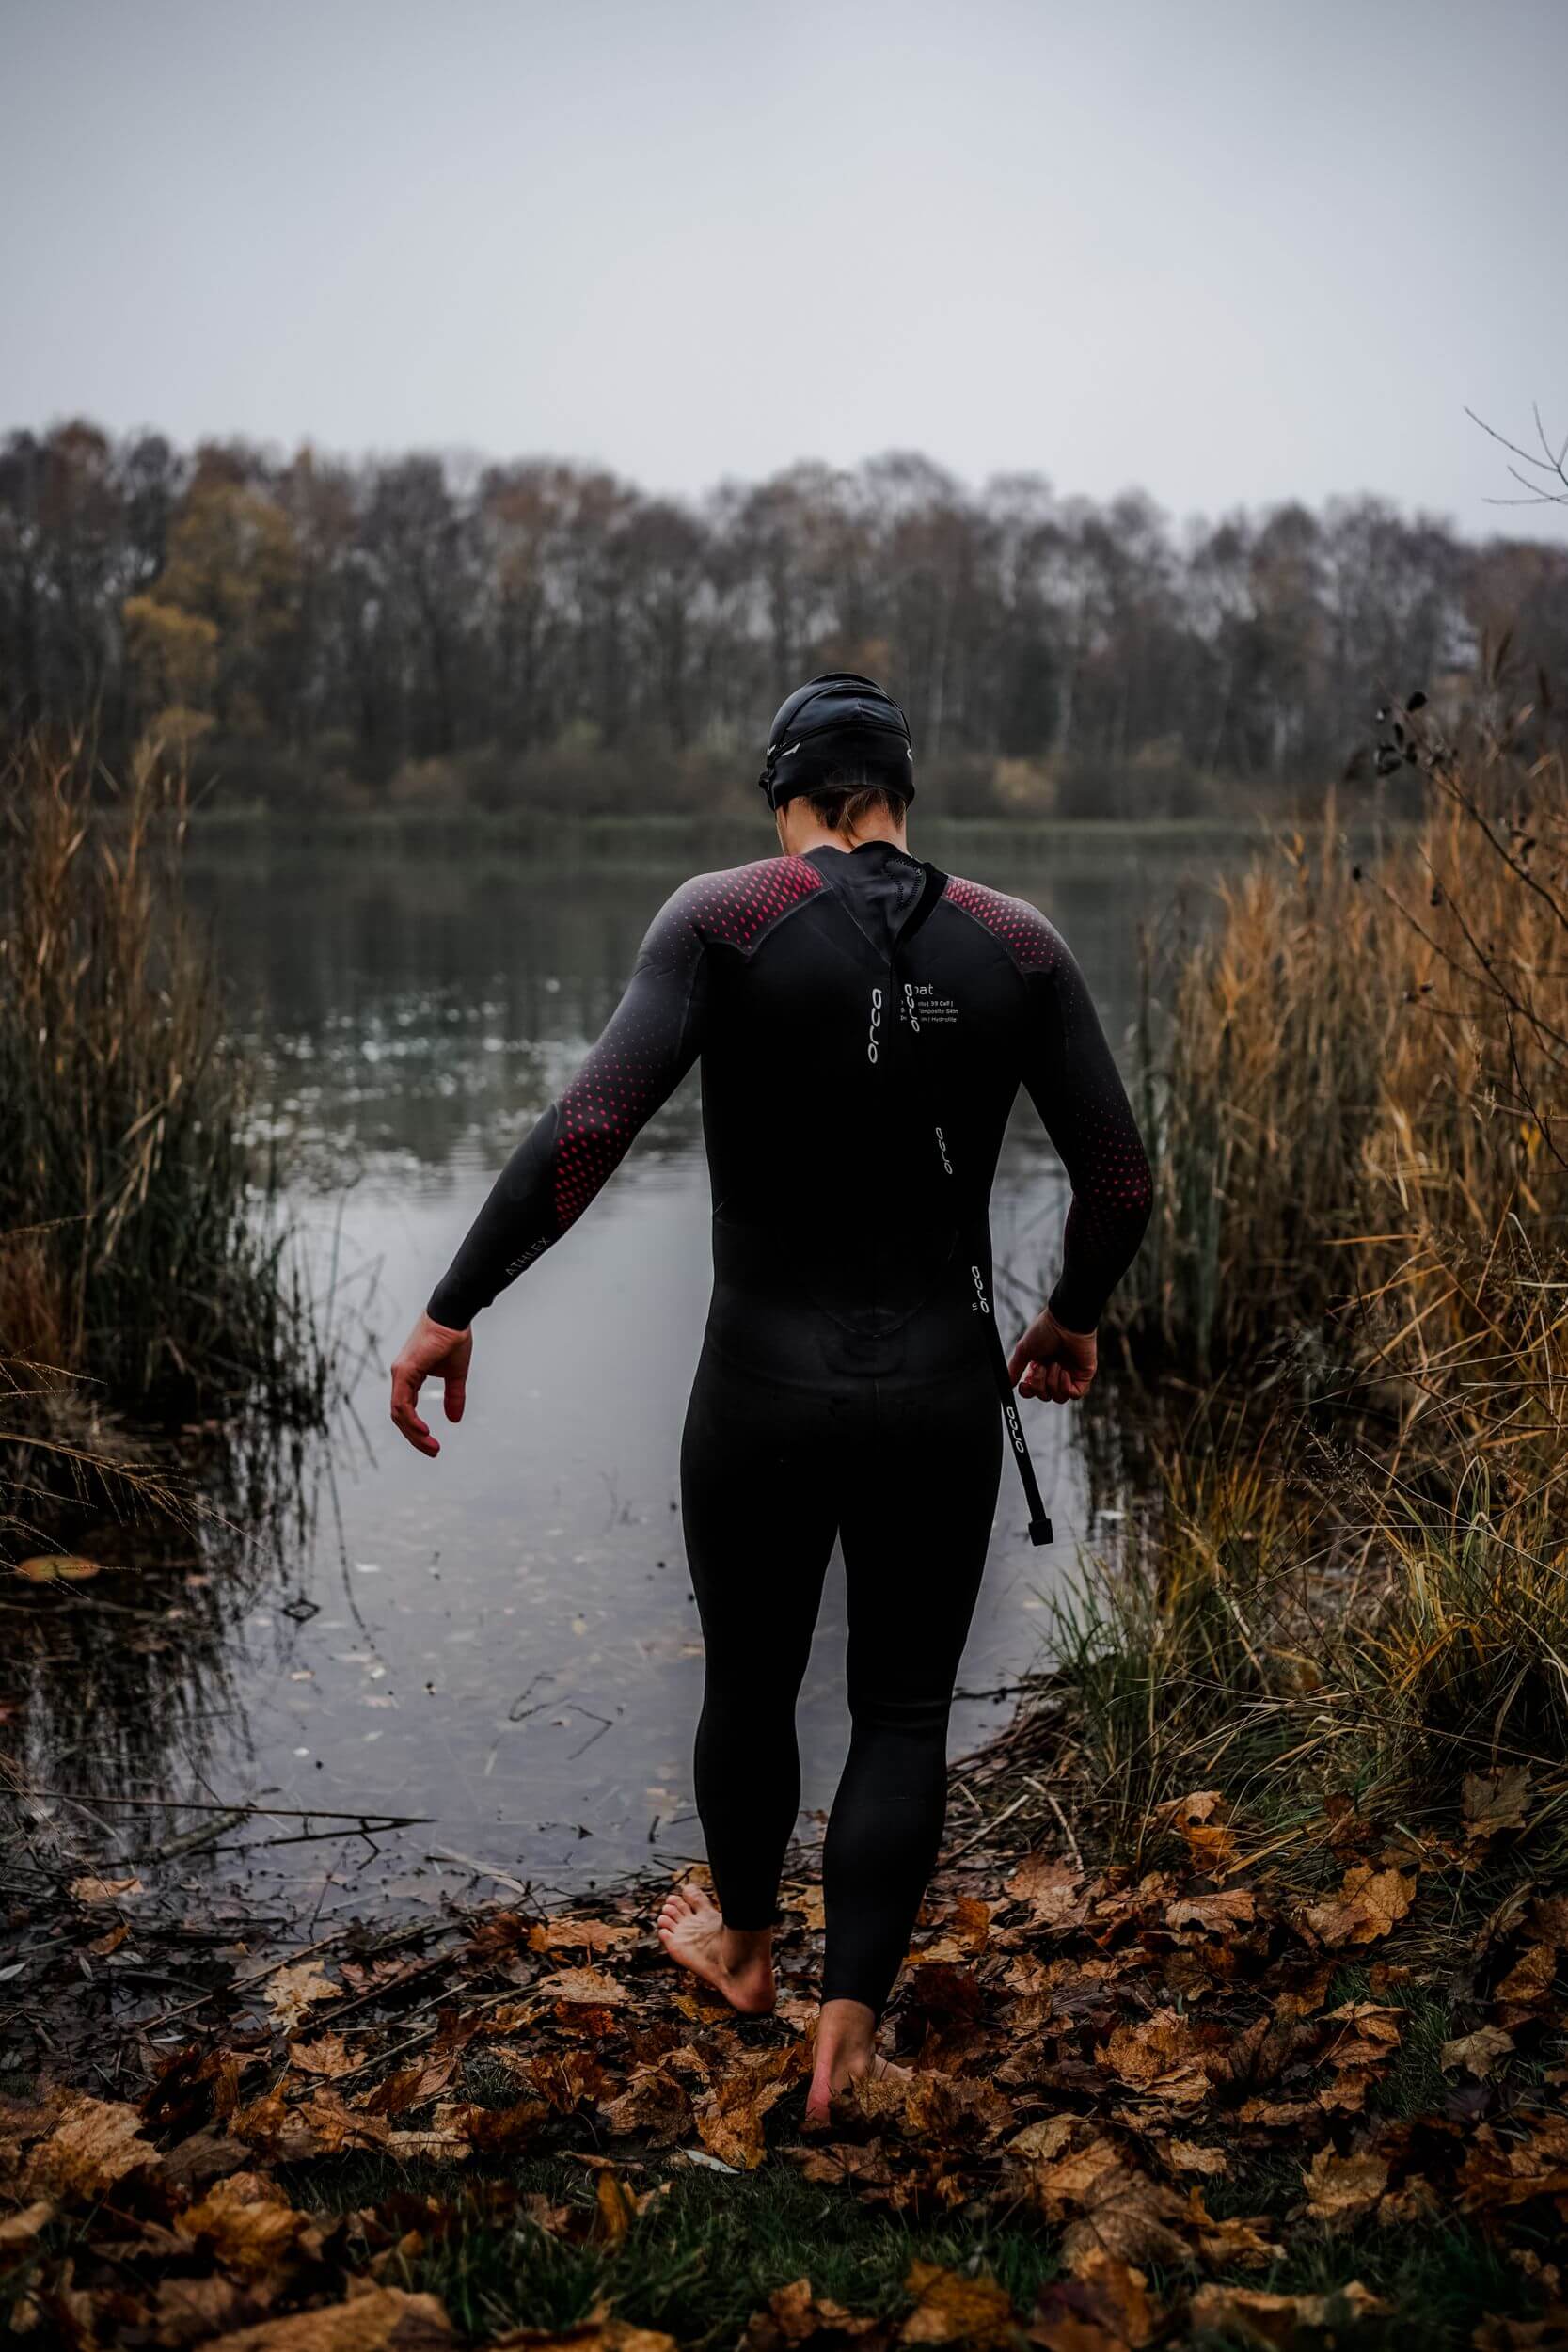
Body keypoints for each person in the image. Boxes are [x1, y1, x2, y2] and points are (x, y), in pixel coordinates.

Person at [390, 674, 1151, 2125]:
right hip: (938, 1388)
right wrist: (1069, 1317)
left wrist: (452, 1307)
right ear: (904, 797)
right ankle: (847, 2033)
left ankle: (744, 1954)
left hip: (760, 1390)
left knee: (748, 1680)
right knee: (905, 1706)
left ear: (785, 795)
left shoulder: (722, 916)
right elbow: (1118, 1182)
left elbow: (592, 1129)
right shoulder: (1017, 941)